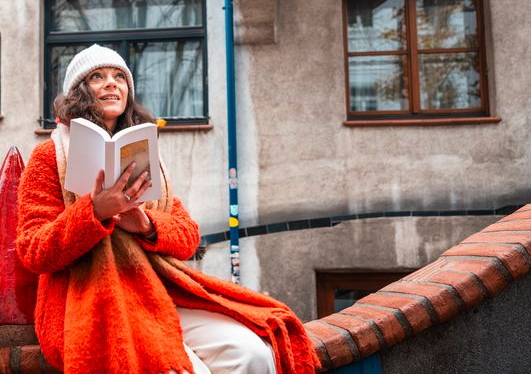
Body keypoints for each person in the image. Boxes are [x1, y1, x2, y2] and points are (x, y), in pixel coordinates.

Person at [17, 45, 318, 374]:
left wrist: (146, 225)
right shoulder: (48, 156)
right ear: (78, 92)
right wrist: (93, 213)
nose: (111, 83)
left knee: (252, 354)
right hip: (90, 300)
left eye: (119, 77)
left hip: (159, 289)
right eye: (97, 77)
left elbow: (188, 236)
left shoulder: (142, 153)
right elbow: (33, 250)